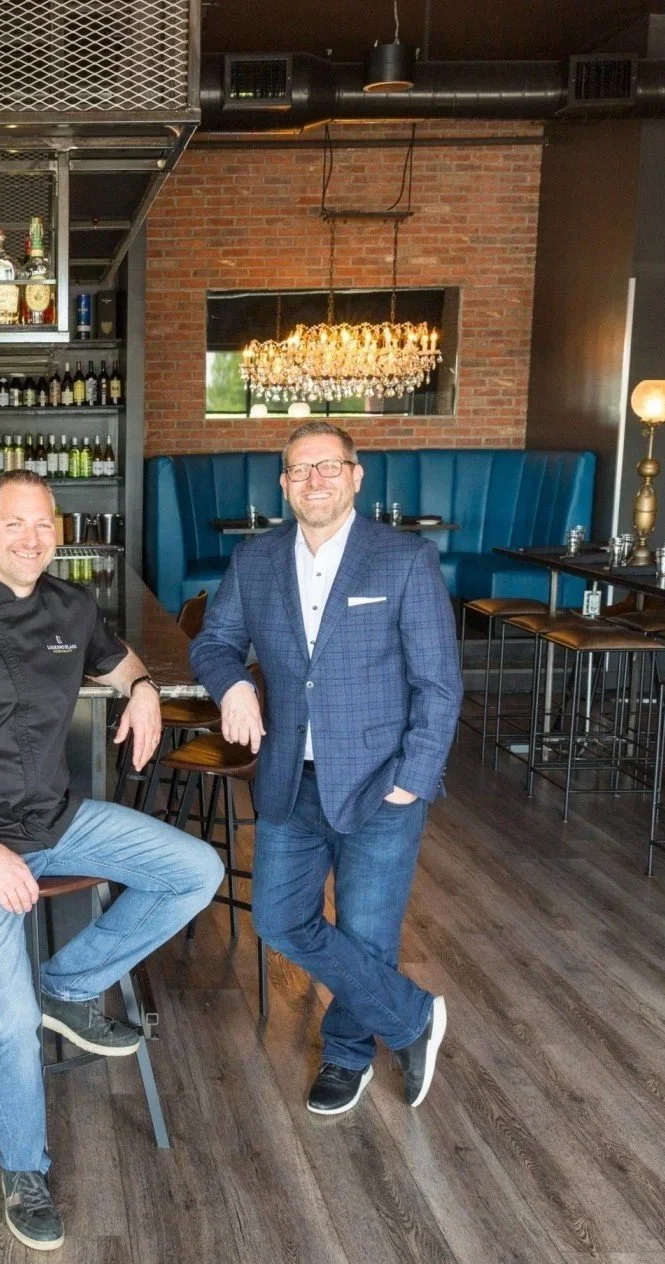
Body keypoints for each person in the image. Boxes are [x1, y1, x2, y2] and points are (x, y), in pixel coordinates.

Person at [0, 469, 222, 1252]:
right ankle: (24, 1170)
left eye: (43, 526)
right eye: (14, 525)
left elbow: (119, 658)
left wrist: (141, 689)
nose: (31, 540)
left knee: (194, 870)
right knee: (5, 1021)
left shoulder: (71, 607)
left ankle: (66, 985)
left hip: (57, 820)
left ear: (58, 533)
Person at [189, 420, 461, 1117]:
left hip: (381, 781)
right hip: (289, 779)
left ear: (355, 475)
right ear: (282, 484)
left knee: (367, 932)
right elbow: (214, 643)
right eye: (299, 470)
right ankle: (411, 1018)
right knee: (279, 920)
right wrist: (235, 686)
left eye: (327, 467)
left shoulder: (404, 560)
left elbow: (438, 683)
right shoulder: (255, 560)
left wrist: (415, 775)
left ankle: (347, 1056)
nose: (314, 480)